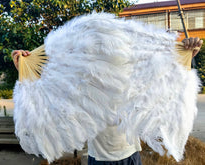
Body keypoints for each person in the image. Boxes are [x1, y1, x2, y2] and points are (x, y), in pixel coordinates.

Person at [11, 37, 203, 165]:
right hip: (99, 159)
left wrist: (187, 56)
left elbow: (167, 86)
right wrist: (25, 69)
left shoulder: (133, 81)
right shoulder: (82, 86)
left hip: (130, 156)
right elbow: (47, 98)